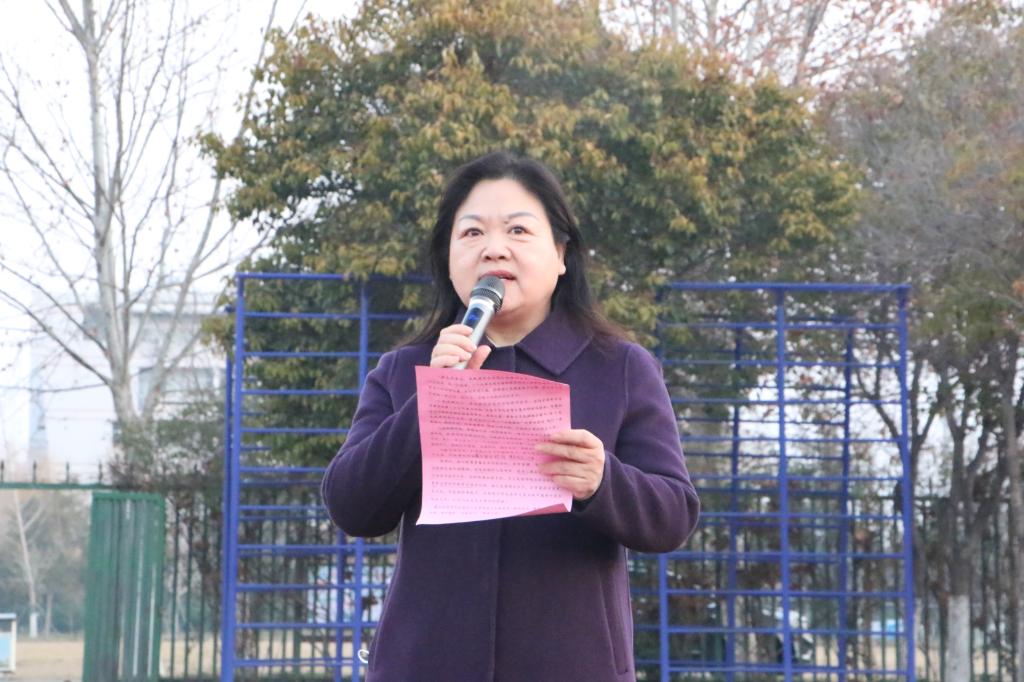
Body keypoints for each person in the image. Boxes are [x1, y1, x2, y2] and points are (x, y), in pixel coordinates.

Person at [322, 151, 700, 681]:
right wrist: (429, 402)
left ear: (561, 254)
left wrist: (602, 482)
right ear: (449, 257)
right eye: (471, 233)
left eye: (518, 230)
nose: (493, 248)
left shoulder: (620, 368)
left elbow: (674, 515)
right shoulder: (404, 369)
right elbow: (352, 507)